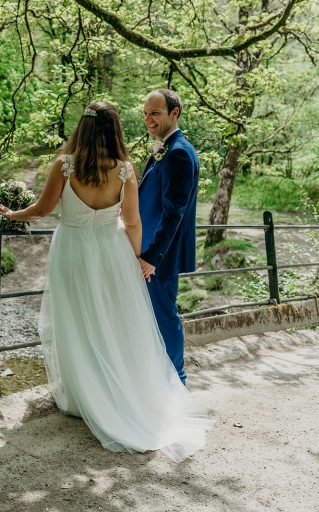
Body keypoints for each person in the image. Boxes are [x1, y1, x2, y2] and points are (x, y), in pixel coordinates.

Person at [0, 101, 212, 462]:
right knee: (110, 319)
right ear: (115, 131)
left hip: (73, 249)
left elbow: (44, 209)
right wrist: (139, 260)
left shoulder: (64, 166)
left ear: (83, 129)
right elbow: (134, 222)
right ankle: (111, 390)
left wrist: (13, 213)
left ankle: (83, 397)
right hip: (111, 251)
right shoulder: (125, 170)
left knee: (75, 319)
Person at [138, 89, 199, 385]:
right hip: (150, 248)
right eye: (146, 113)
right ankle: (158, 379)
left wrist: (152, 257)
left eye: (155, 113)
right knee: (153, 316)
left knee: (165, 317)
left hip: (160, 253)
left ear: (175, 113)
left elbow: (173, 212)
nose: (149, 119)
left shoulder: (178, 154)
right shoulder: (165, 147)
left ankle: (177, 381)